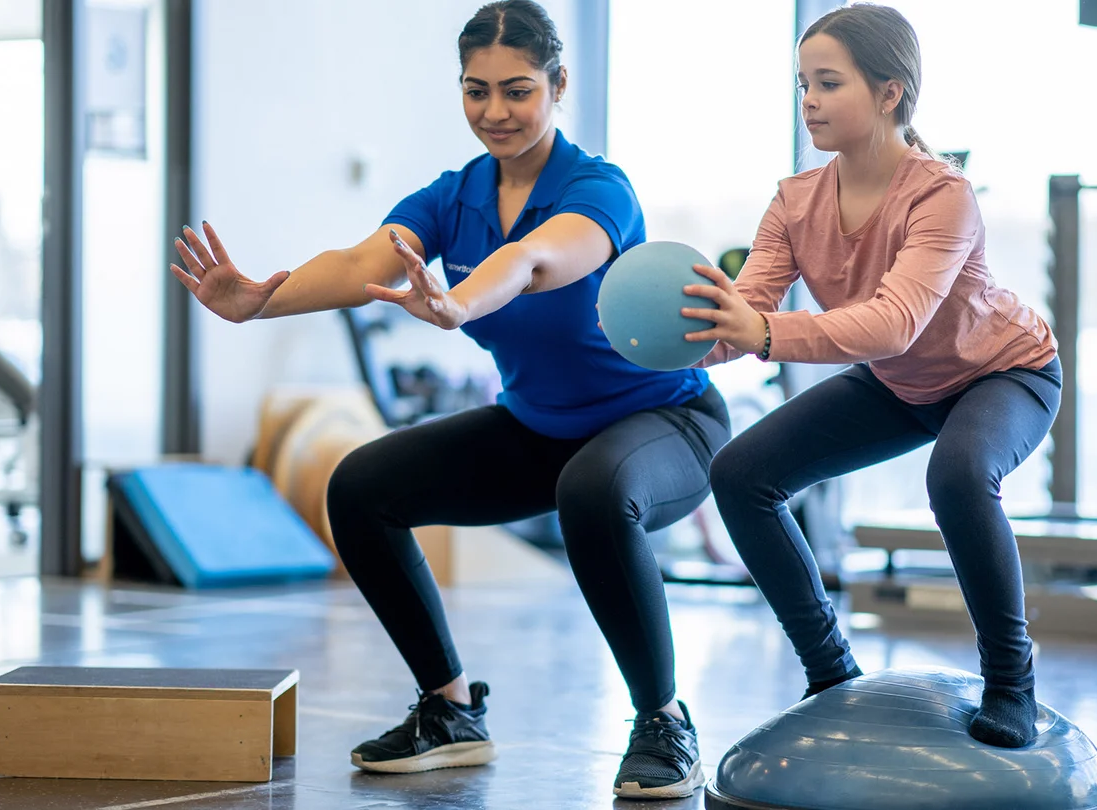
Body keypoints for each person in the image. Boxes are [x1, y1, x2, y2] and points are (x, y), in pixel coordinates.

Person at [170, 1, 727, 797]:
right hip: (542, 430)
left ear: (558, 84)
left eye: (517, 90)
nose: (495, 112)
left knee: (593, 491)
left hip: (665, 425)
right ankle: (450, 708)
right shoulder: (452, 197)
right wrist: (266, 298)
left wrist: (462, 302)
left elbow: (536, 259)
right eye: (476, 91)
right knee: (361, 486)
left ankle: (664, 720)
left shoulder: (598, 187)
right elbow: (365, 259)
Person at [683, 3, 1060, 749]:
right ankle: (829, 673)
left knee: (956, 477)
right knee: (741, 474)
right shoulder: (794, 202)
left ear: (889, 94)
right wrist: (689, 338)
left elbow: (894, 322)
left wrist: (759, 333)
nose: (809, 101)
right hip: (899, 383)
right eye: (803, 84)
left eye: (829, 83)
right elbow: (750, 312)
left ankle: (1011, 681)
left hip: (1003, 373)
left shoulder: (940, 192)